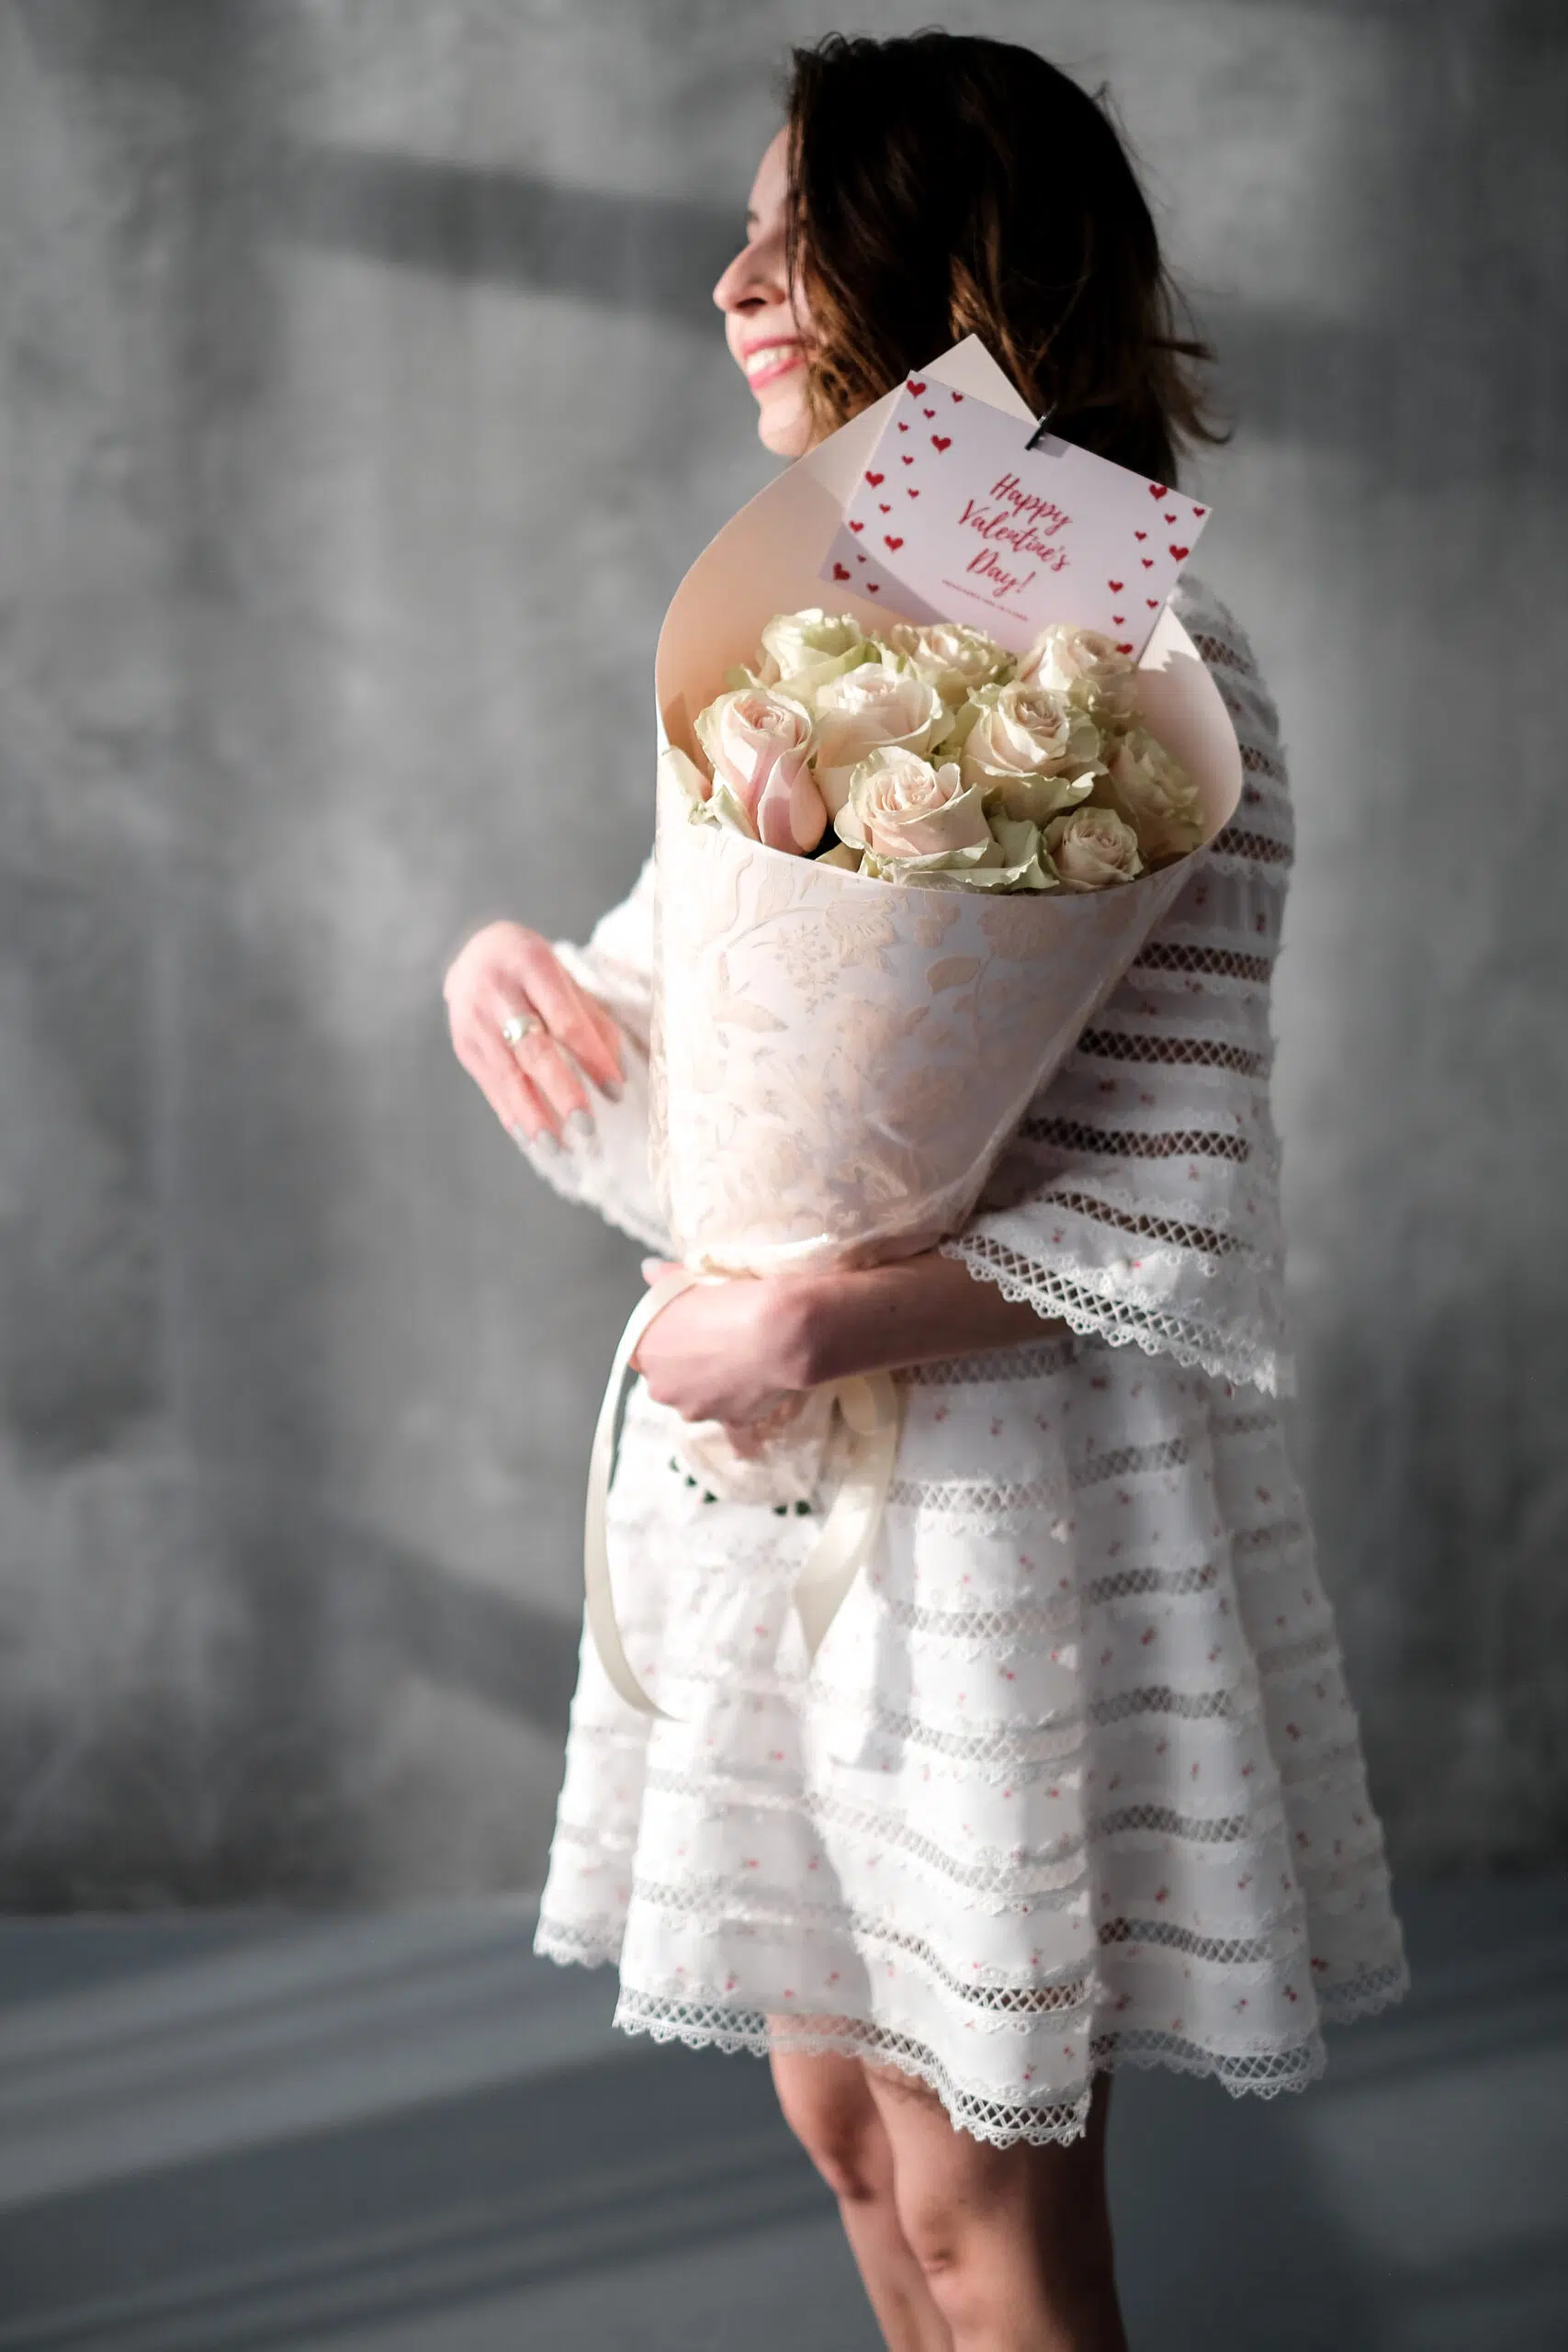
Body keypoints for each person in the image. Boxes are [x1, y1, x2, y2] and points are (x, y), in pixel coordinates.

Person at [443, 31, 1408, 2351]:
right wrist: (524, 984)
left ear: (961, 272)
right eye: (747, 239)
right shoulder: (808, 629)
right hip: (772, 1487)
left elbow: (1180, 1196)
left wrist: (821, 1320)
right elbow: (710, 1028)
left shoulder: (1153, 671)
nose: (730, 286)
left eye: (797, 242)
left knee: (981, 2189)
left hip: (995, 1509)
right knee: (844, 2128)